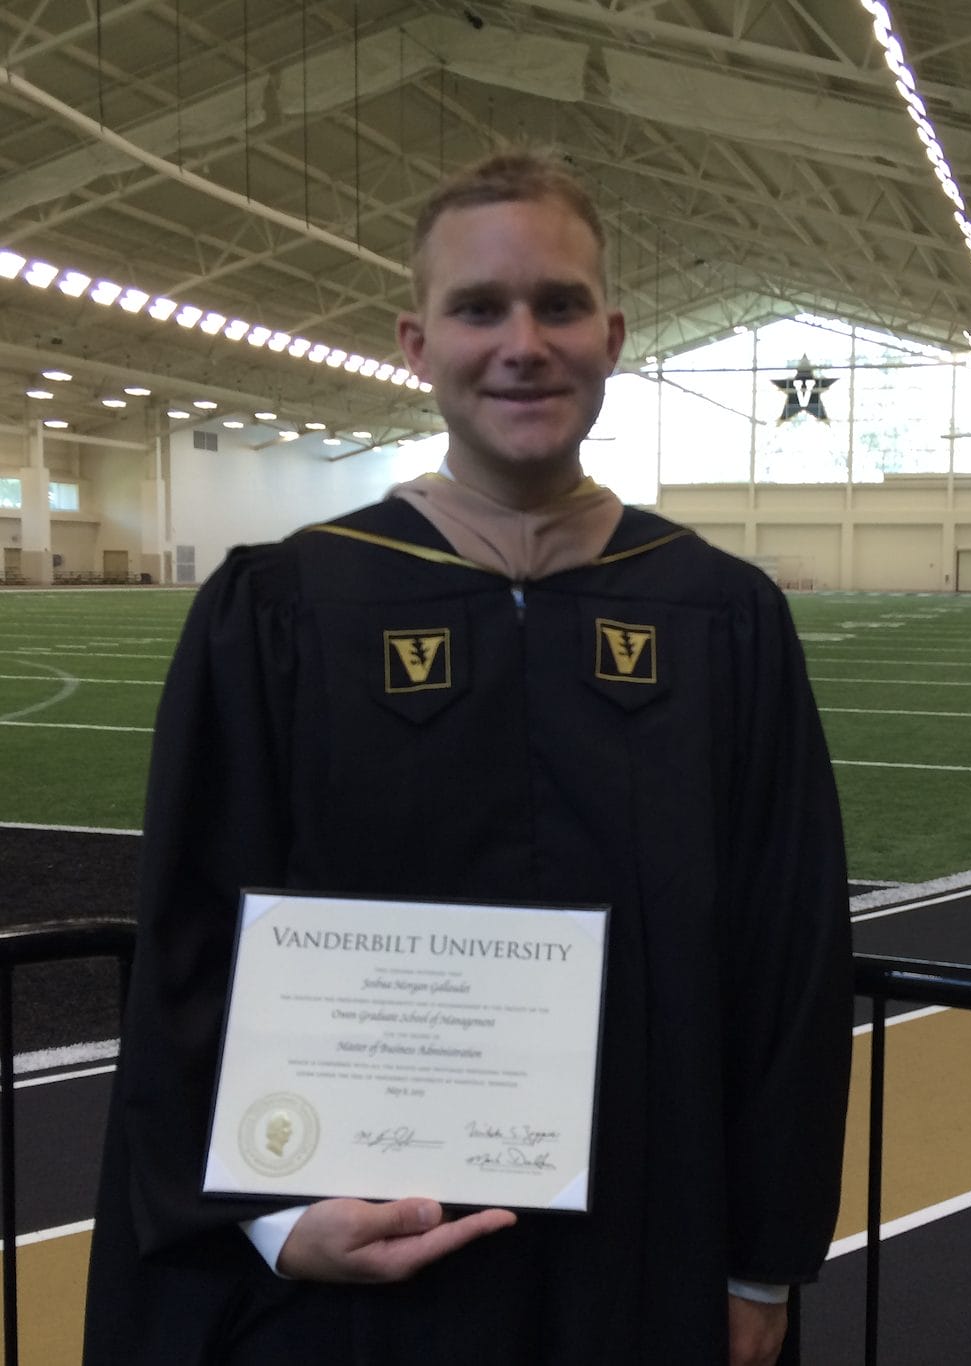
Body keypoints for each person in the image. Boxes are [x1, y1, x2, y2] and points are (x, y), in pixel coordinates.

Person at [83, 150, 852, 1366]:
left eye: (558, 305)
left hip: (649, 1240)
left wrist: (762, 1255)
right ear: (417, 343)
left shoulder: (721, 616)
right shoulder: (286, 607)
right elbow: (196, 930)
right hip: (368, 1257)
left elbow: (785, 951)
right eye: (478, 308)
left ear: (611, 336)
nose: (522, 344)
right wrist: (271, 1216)